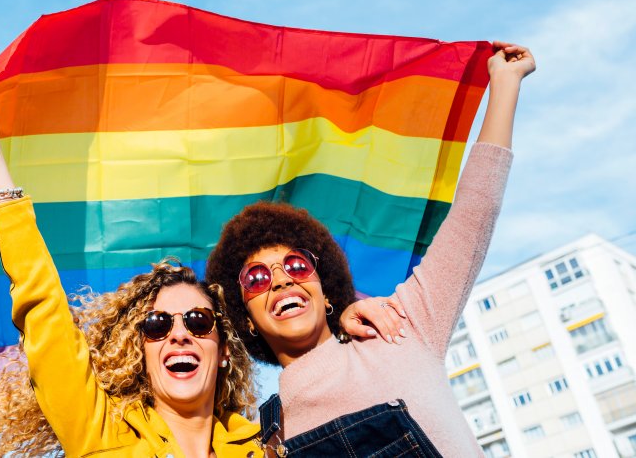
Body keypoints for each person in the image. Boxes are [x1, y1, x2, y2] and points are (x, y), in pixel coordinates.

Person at [0, 94, 408, 458]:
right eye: (158, 326)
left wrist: (343, 327)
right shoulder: (103, 436)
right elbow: (44, 310)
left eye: (199, 323)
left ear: (223, 352)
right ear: (139, 352)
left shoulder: (272, 443)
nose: (179, 335)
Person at [205, 42, 535, 457]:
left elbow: (475, 211)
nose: (282, 279)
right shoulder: (263, 443)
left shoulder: (403, 327)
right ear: (246, 318)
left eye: (296, 264)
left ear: (325, 289)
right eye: (256, 278)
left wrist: (505, 84)